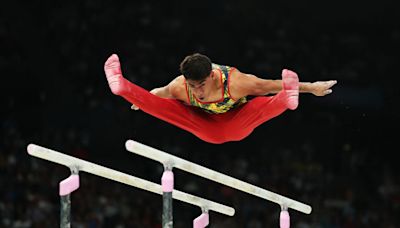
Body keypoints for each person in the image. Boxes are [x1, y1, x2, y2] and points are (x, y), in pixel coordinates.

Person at [104, 53, 337, 144]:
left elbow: (267, 86)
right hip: (206, 128)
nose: (198, 92)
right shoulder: (180, 86)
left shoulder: (236, 82)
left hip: (237, 122)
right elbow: (158, 95)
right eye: (192, 86)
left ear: (213, 76)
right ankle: (122, 86)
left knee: (262, 103)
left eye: (202, 85)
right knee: (168, 106)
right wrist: (140, 100)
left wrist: (311, 87)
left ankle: (287, 97)